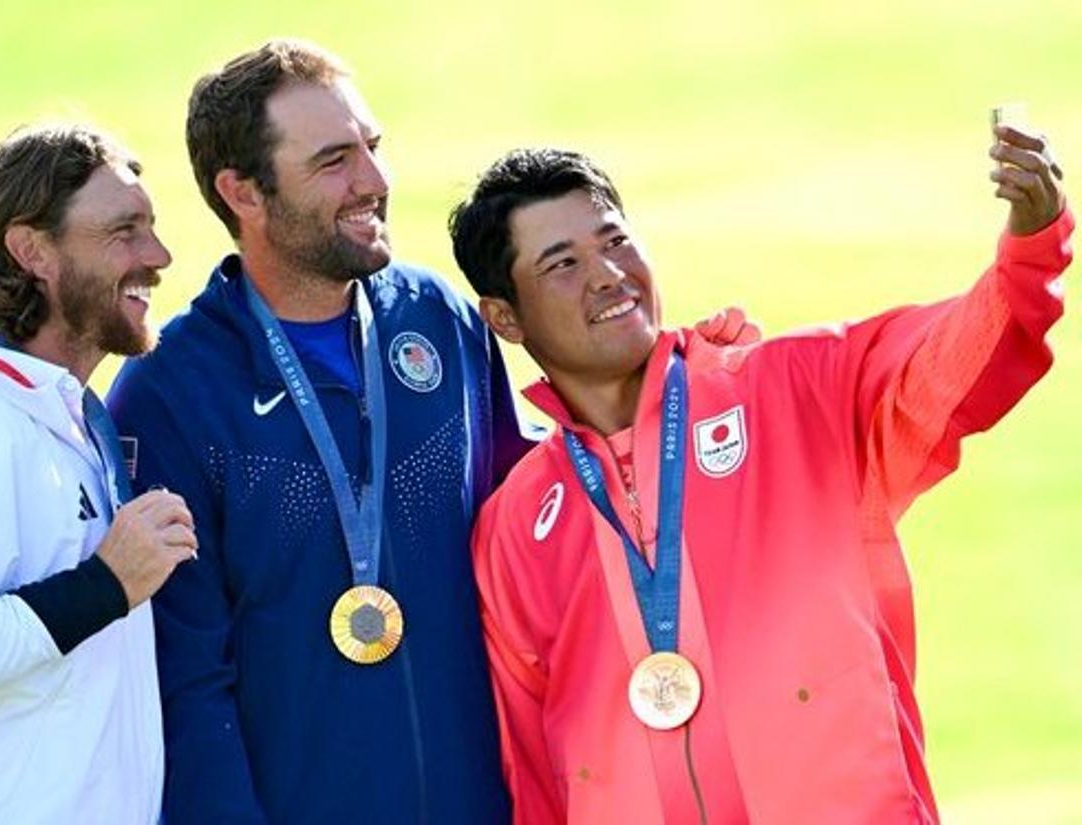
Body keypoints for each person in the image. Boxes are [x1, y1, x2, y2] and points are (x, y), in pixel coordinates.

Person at [106, 38, 756, 825]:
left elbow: (545, 527)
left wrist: (686, 381)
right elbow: (184, 677)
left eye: (373, 150)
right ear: (243, 192)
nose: (375, 183)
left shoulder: (435, 318)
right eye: (335, 161)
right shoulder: (173, 390)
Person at [448, 128, 1070, 824]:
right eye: (562, 263)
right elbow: (532, 771)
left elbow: (953, 365)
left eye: (615, 240)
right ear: (504, 316)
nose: (608, 275)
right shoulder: (516, 527)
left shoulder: (794, 389)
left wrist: (1029, 248)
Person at [0, 124, 197, 823]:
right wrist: (107, 585)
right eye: (125, 231)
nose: (159, 255)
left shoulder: (61, 417)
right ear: (31, 252)